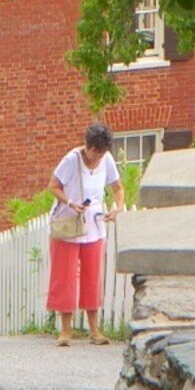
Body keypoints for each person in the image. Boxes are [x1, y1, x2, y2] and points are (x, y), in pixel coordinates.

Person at [48, 122, 121, 344]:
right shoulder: (71, 160)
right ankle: (65, 331)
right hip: (69, 224)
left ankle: (94, 330)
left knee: (93, 277)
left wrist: (117, 208)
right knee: (65, 276)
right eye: (94, 152)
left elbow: (118, 188)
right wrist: (70, 202)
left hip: (94, 225)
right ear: (87, 146)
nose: (96, 157)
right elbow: (53, 186)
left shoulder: (107, 160)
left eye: (101, 153)